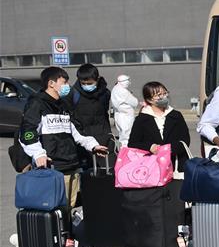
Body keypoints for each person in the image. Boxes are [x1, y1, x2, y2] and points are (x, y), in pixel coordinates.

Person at [18, 66, 108, 209]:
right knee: (55, 207)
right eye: (64, 82)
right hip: (53, 167)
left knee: (70, 206)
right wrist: (38, 154)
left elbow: (75, 131)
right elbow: (27, 133)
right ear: (51, 83)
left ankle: (67, 231)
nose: (67, 86)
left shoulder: (64, 105)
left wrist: (92, 145)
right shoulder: (37, 103)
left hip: (72, 164)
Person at [128, 82, 191, 180]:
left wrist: (168, 149)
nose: (164, 97)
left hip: (176, 166)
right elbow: (132, 143)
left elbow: (185, 140)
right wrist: (150, 147)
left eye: (165, 93)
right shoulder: (141, 119)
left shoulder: (176, 115)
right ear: (149, 100)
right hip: (150, 169)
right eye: (159, 95)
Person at [66, 64, 113, 155]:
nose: (86, 85)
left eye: (90, 83)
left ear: (97, 79)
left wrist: (108, 134)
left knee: (107, 166)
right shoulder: (73, 94)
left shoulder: (105, 93)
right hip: (83, 138)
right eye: (83, 83)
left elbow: (104, 113)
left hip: (104, 136)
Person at [110, 74, 139, 146]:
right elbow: (134, 102)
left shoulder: (115, 88)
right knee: (126, 137)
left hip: (119, 115)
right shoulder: (123, 91)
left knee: (122, 135)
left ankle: (122, 151)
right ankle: (126, 153)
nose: (128, 83)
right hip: (126, 116)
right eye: (127, 81)